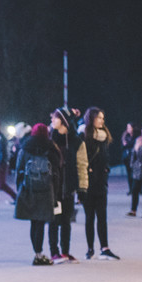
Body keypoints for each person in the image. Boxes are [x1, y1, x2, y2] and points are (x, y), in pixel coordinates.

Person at [15, 123, 62, 265]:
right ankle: (39, 255)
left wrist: (20, 188)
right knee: (41, 222)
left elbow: (19, 169)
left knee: (33, 222)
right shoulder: (51, 147)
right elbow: (57, 172)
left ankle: (37, 252)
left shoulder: (25, 148)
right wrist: (57, 191)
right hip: (46, 190)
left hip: (30, 189)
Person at [48, 108, 87, 263]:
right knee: (53, 220)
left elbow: (82, 165)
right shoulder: (50, 140)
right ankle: (54, 252)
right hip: (53, 188)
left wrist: (82, 188)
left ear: (63, 121)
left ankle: (65, 251)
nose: (52, 120)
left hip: (68, 187)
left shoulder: (76, 141)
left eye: (55, 118)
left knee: (66, 221)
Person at [81, 107, 120, 259]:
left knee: (102, 216)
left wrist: (105, 170)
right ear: (91, 119)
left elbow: (105, 158)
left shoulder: (104, 136)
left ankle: (105, 247)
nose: (102, 121)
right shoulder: (84, 136)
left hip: (101, 182)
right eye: (99, 118)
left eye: (103, 118)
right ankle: (90, 248)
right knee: (89, 217)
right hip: (89, 182)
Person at [126, 123, 142, 217]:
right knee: (135, 189)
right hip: (137, 169)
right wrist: (132, 164)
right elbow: (133, 154)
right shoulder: (139, 140)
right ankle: (133, 210)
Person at [121, 122, 135, 193]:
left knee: (135, 174)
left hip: (134, 157)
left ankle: (137, 189)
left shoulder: (136, 136)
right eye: (127, 127)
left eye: (130, 127)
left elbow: (134, 145)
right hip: (127, 157)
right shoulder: (125, 135)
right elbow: (123, 146)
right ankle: (131, 189)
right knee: (129, 174)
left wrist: (128, 144)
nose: (128, 129)